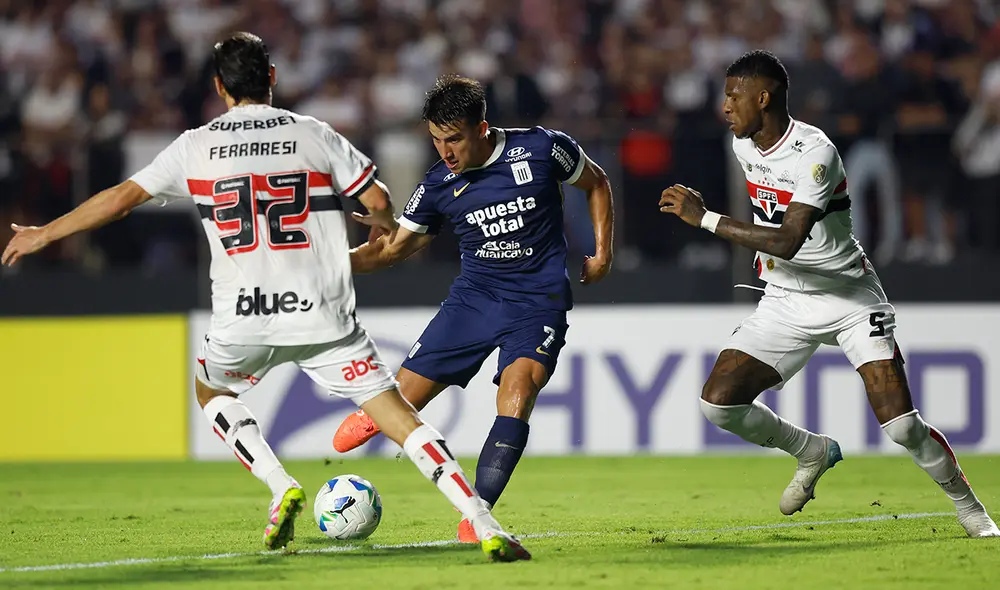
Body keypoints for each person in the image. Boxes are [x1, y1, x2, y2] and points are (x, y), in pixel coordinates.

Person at [1, 33, 531, 561]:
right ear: (272, 77)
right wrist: (383, 222)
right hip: (320, 309)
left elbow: (120, 201)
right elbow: (377, 198)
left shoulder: (195, 145)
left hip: (242, 315)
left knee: (212, 394)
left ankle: (281, 486)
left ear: (218, 86)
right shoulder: (313, 132)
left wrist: (45, 233)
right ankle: (483, 522)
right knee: (400, 419)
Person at [658, 49, 998, 537]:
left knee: (902, 426)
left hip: (849, 298)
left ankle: (970, 508)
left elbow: (788, 239)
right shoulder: (744, 146)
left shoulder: (816, 153)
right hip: (785, 298)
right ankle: (810, 450)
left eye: (733, 96)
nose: (725, 106)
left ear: (764, 97)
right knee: (718, 403)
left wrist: (705, 218)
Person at [334, 74, 614, 543]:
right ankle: (380, 410)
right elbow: (390, 250)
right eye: (436, 140)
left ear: (481, 128)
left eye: (454, 139)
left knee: (518, 393)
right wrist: (322, 265)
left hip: (537, 301)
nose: (445, 152)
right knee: (401, 406)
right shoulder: (440, 182)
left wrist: (603, 252)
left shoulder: (544, 149)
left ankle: (476, 512)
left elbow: (598, 182)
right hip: (475, 299)